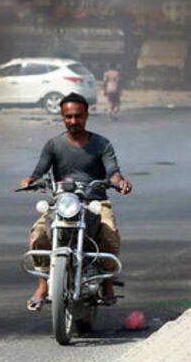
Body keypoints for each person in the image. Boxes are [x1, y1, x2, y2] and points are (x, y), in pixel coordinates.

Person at [19, 92, 133, 311]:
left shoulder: (102, 144)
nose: (73, 121)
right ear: (62, 117)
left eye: (77, 116)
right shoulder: (53, 145)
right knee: (39, 233)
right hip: (63, 202)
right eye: (68, 117)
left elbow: (113, 172)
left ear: (86, 115)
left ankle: (107, 283)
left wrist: (120, 183)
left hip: (95, 201)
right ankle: (42, 286)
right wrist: (30, 180)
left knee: (109, 233)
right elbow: (39, 171)